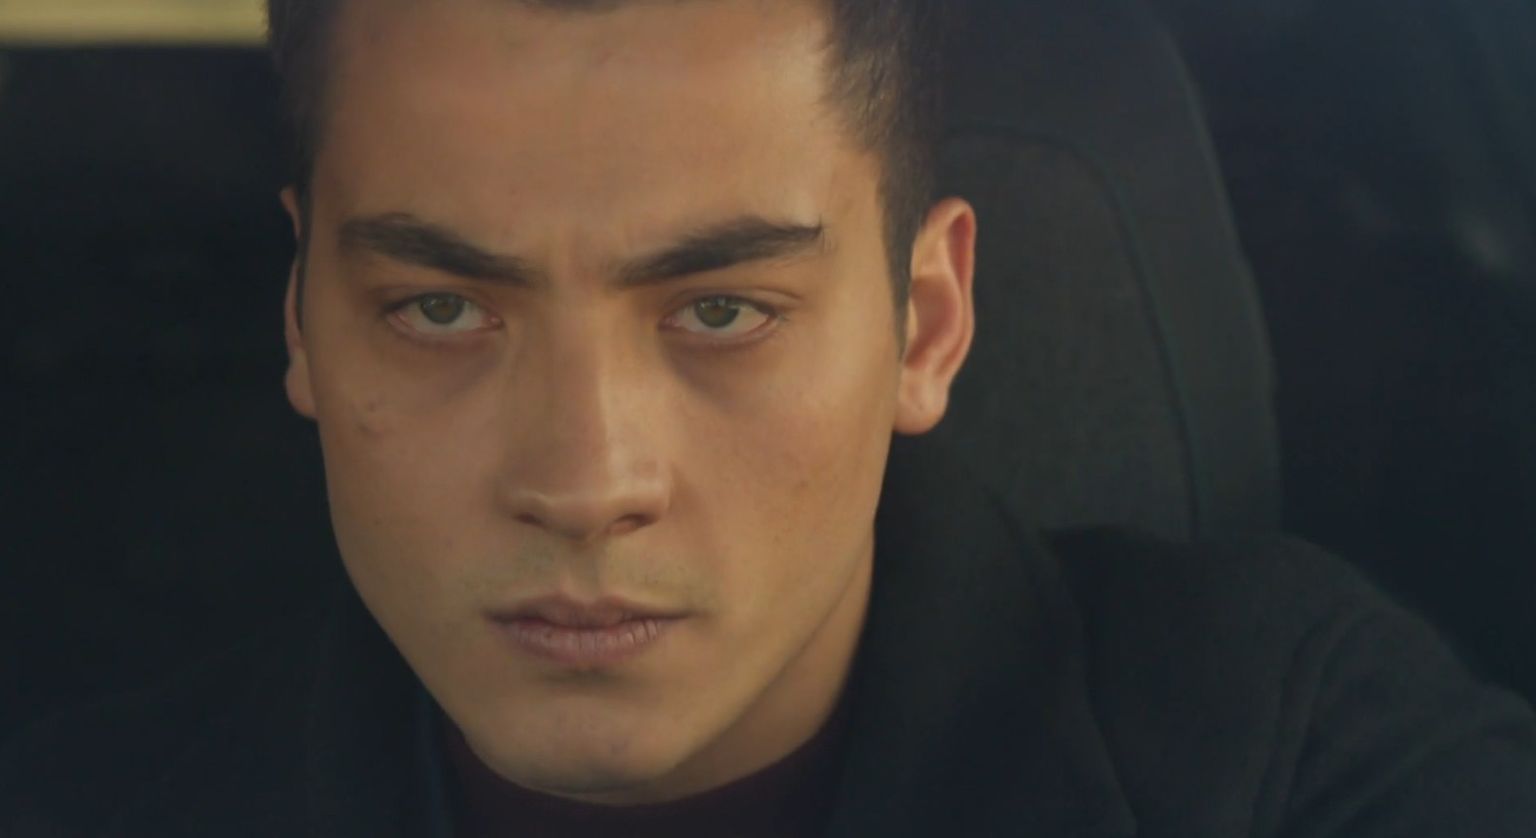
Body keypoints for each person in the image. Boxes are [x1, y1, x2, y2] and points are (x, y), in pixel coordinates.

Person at [4, 0, 1536, 835]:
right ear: (302, 318)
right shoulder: (85, 800)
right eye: (442, 310)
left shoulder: (1294, 754)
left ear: (926, 322)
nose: (586, 480)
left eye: (723, 310)